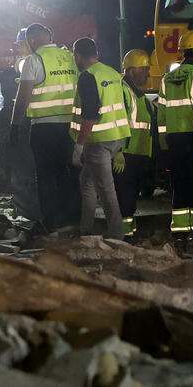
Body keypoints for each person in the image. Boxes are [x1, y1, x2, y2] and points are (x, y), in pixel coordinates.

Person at [9, 23, 79, 231]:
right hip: (72, 126)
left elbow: (23, 97)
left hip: (44, 128)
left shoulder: (34, 60)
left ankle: (50, 221)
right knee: (68, 173)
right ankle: (72, 220)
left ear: (31, 40)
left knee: (46, 175)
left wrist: (14, 125)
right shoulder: (70, 57)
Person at [157, 32, 193, 248]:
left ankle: (179, 233)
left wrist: (164, 144)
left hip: (173, 141)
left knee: (179, 186)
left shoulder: (167, 78)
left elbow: (161, 115)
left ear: (183, 52)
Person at [69, 37, 129, 240]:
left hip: (98, 140)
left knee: (105, 188)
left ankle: (116, 234)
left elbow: (89, 115)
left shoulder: (88, 77)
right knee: (87, 181)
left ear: (78, 55)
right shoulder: (111, 72)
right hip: (116, 136)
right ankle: (85, 228)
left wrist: (79, 145)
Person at [118, 49, 155, 238]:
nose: (148, 73)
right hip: (126, 155)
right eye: (144, 69)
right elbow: (118, 121)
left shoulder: (137, 94)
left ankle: (129, 234)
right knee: (125, 197)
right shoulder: (123, 91)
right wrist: (118, 151)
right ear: (132, 71)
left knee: (131, 198)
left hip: (137, 154)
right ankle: (125, 236)